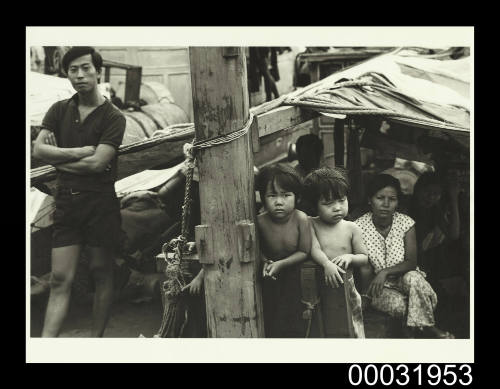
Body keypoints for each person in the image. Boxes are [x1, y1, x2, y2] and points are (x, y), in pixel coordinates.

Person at [33, 46, 126, 337]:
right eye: (73, 70)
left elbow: (99, 164)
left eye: (86, 68)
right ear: (67, 74)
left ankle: (94, 342)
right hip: (67, 204)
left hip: (100, 205)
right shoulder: (59, 110)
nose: (80, 75)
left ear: (97, 71)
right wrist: (75, 153)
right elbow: (38, 149)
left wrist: (59, 159)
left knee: (101, 272)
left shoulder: (113, 117)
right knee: (61, 278)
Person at [354, 174, 454, 338]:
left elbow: (411, 262)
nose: (386, 204)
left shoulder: (406, 223)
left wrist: (384, 272)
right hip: (380, 287)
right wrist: (365, 296)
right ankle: (423, 328)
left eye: (392, 199)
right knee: (403, 305)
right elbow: (364, 268)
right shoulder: (359, 227)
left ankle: (426, 329)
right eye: (380, 198)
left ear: (398, 202)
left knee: (413, 278)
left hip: (406, 278)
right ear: (370, 200)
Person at [303, 167, 368, 337]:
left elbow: (364, 258)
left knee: (352, 324)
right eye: (328, 203)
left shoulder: (351, 228)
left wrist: (350, 257)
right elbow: (314, 248)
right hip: (320, 284)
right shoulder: (311, 224)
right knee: (323, 324)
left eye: (341, 200)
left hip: (347, 286)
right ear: (314, 205)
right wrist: (326, 264)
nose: (337, 208)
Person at [255, 163, 311, 337]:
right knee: (271, 315)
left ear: (297, 197)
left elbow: (304, 251)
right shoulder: (260, 222)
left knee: (295, 316)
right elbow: (256, 249)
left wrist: (281, 264)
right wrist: (265, 261)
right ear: (263, 199)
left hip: (295, 273)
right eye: (272, 196)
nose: (279, 202)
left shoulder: (301, 219)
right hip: (270, 275)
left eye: (286, 195)